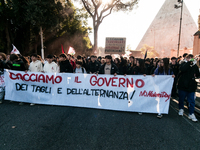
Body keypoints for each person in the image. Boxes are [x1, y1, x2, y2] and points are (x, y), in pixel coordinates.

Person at [177, 54, 200, 122]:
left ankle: (191, 113)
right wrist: (188, 63)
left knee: (191, 100)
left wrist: (194, 65)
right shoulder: (183, 63)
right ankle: (181, 109)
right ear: (186, 58)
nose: (190, 59)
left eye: (191, 58)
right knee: (181, 98)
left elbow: (198, 74)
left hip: (191, 86)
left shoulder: (194, 65)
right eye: (189, 58)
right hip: (182, 85)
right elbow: (182, 69)